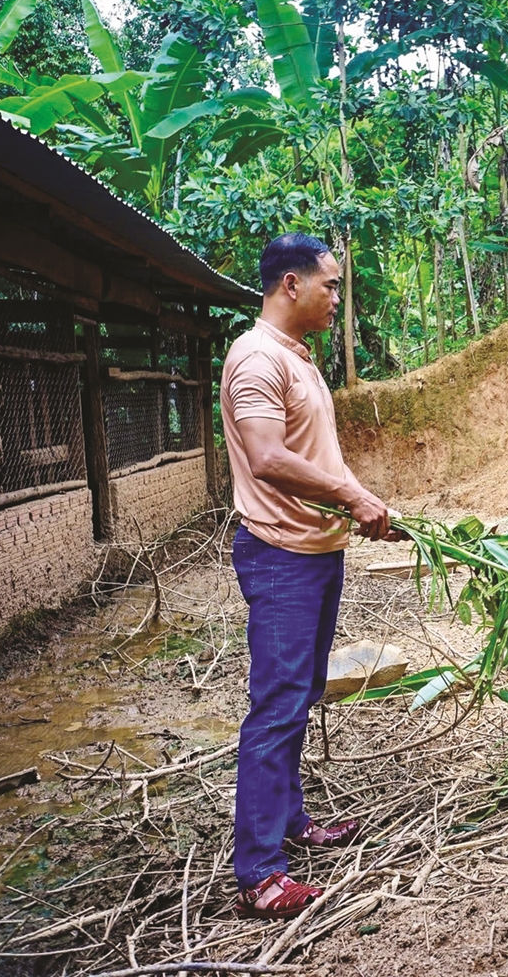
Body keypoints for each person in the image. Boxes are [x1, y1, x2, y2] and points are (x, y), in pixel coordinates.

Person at [220, 232, 393, 920]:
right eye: (330, 285)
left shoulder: (298, 360)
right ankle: (260, 872)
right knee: (278, 703)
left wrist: (370, 503)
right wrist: (352, 499)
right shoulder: (256, 359)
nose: (336, 298)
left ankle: (289, 820)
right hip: (282, 556)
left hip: (317, 552)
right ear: (290, 285)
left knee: (302, 691)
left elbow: (319, 458)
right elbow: (266, 458)